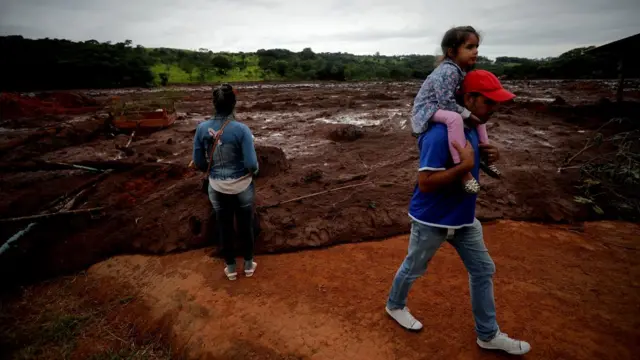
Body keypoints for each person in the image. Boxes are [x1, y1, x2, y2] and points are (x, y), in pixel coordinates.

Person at [386, 70, 531, 355]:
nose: (494, 108)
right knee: (414, 268)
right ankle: (394, 305)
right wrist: (464, 167)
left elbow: (472, 167)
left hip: (464, 220)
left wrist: (488, 158)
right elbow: (425, 184)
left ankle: (488, 334)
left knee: (483, 270)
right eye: (489, 102)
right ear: (469, 98)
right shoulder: (439, 135)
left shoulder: (469, 130)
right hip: (431, 220)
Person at [411, 26, 502, 195]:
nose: (475, 51)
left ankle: (485, 157)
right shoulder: (449, 70)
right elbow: (445, 102)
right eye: (469, 47)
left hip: (442, 106)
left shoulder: (460, 71)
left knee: (479, 120)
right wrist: (467, 114)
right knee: (454, 119)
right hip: (428, 108)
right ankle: (463, 169)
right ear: (452, 52)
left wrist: (472, 116)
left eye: (476, 47)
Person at [192, 84, 259, 281]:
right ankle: (248, 264)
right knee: (245, 225)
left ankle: (230, 268)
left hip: (217, 187)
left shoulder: (202, 128)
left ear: (214, 104)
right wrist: (254, 172)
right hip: (242, 186)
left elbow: (198, 162)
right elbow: (251, 164)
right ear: (234, 104)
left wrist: (213, 171)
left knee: (225, 225)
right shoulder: (242, 130)